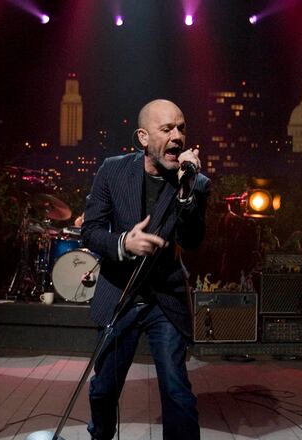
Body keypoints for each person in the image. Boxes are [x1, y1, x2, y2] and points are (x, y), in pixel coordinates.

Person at [82, 99, 210, 439]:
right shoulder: (112, 170)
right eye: (166, 129)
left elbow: (193, 239)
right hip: (120, 294)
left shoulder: (196, 183)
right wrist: (124, 243)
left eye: (181, 128)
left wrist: (186, 190)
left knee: (176, 388)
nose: (177, 136)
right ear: (143, 137)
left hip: (163, 300)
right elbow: (90, 230)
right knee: (103, 389)